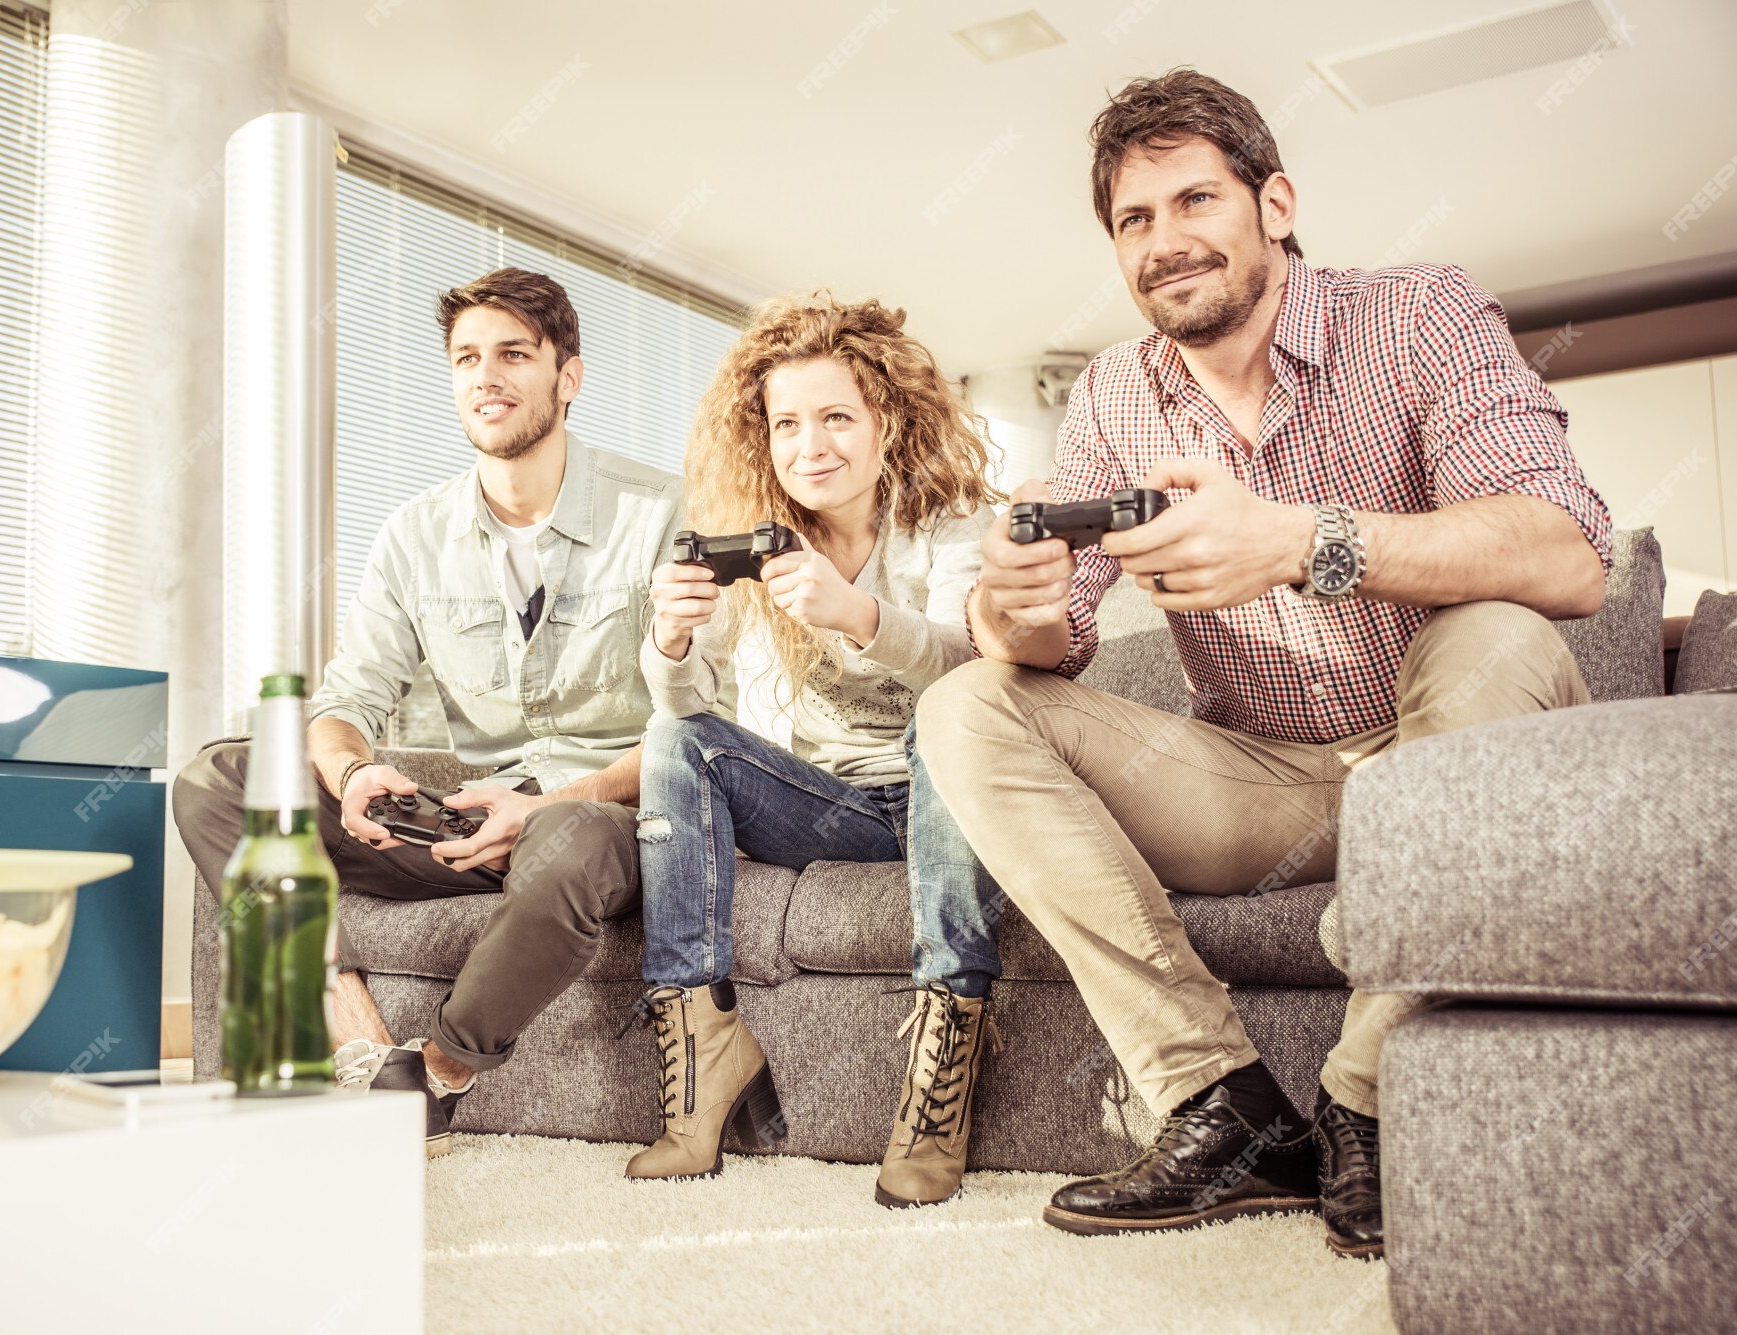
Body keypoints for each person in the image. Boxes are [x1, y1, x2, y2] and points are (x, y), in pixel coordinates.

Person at [916, 68, 1610, 1259]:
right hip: (1262, 782)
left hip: (1454, 747)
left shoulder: (1421, 315)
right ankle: (1223, 1110)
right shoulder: (1111, 395)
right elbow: (1053, 647)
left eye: (1195, 201)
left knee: (1496, 627)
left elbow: (1568, 555)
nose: (1164, 242)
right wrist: (1010, 603)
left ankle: (1367, 1098)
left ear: (1274, 204)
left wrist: (1300, 540)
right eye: (1133, 220)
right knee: (968, 704)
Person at [173, 268, 682, 1157]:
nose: (486, 377)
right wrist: (356, 770)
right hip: (469, 821)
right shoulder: (414, 533)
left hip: (599, 816)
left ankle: (437, 1074)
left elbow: (702, 719)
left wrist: (559, 801)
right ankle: (336, 1005)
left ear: (570, 375)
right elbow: (344, 699)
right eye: (466, 359)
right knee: (219, 777)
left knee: (567, 840)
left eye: (514, 355)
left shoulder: (660, 513)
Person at [624, 292, 1005, 1209]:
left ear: (887, 424)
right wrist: (670, 639)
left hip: (946, 799)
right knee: (675, 736)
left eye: (837, 417)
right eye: (787, 423)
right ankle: (704, 1039)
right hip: (829, 811)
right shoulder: (751, 546)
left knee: (951, 711)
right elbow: (687, 704)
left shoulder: (950, 531)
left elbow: (979, 666)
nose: (811, 445)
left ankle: (942, 1058)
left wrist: (858, 614)